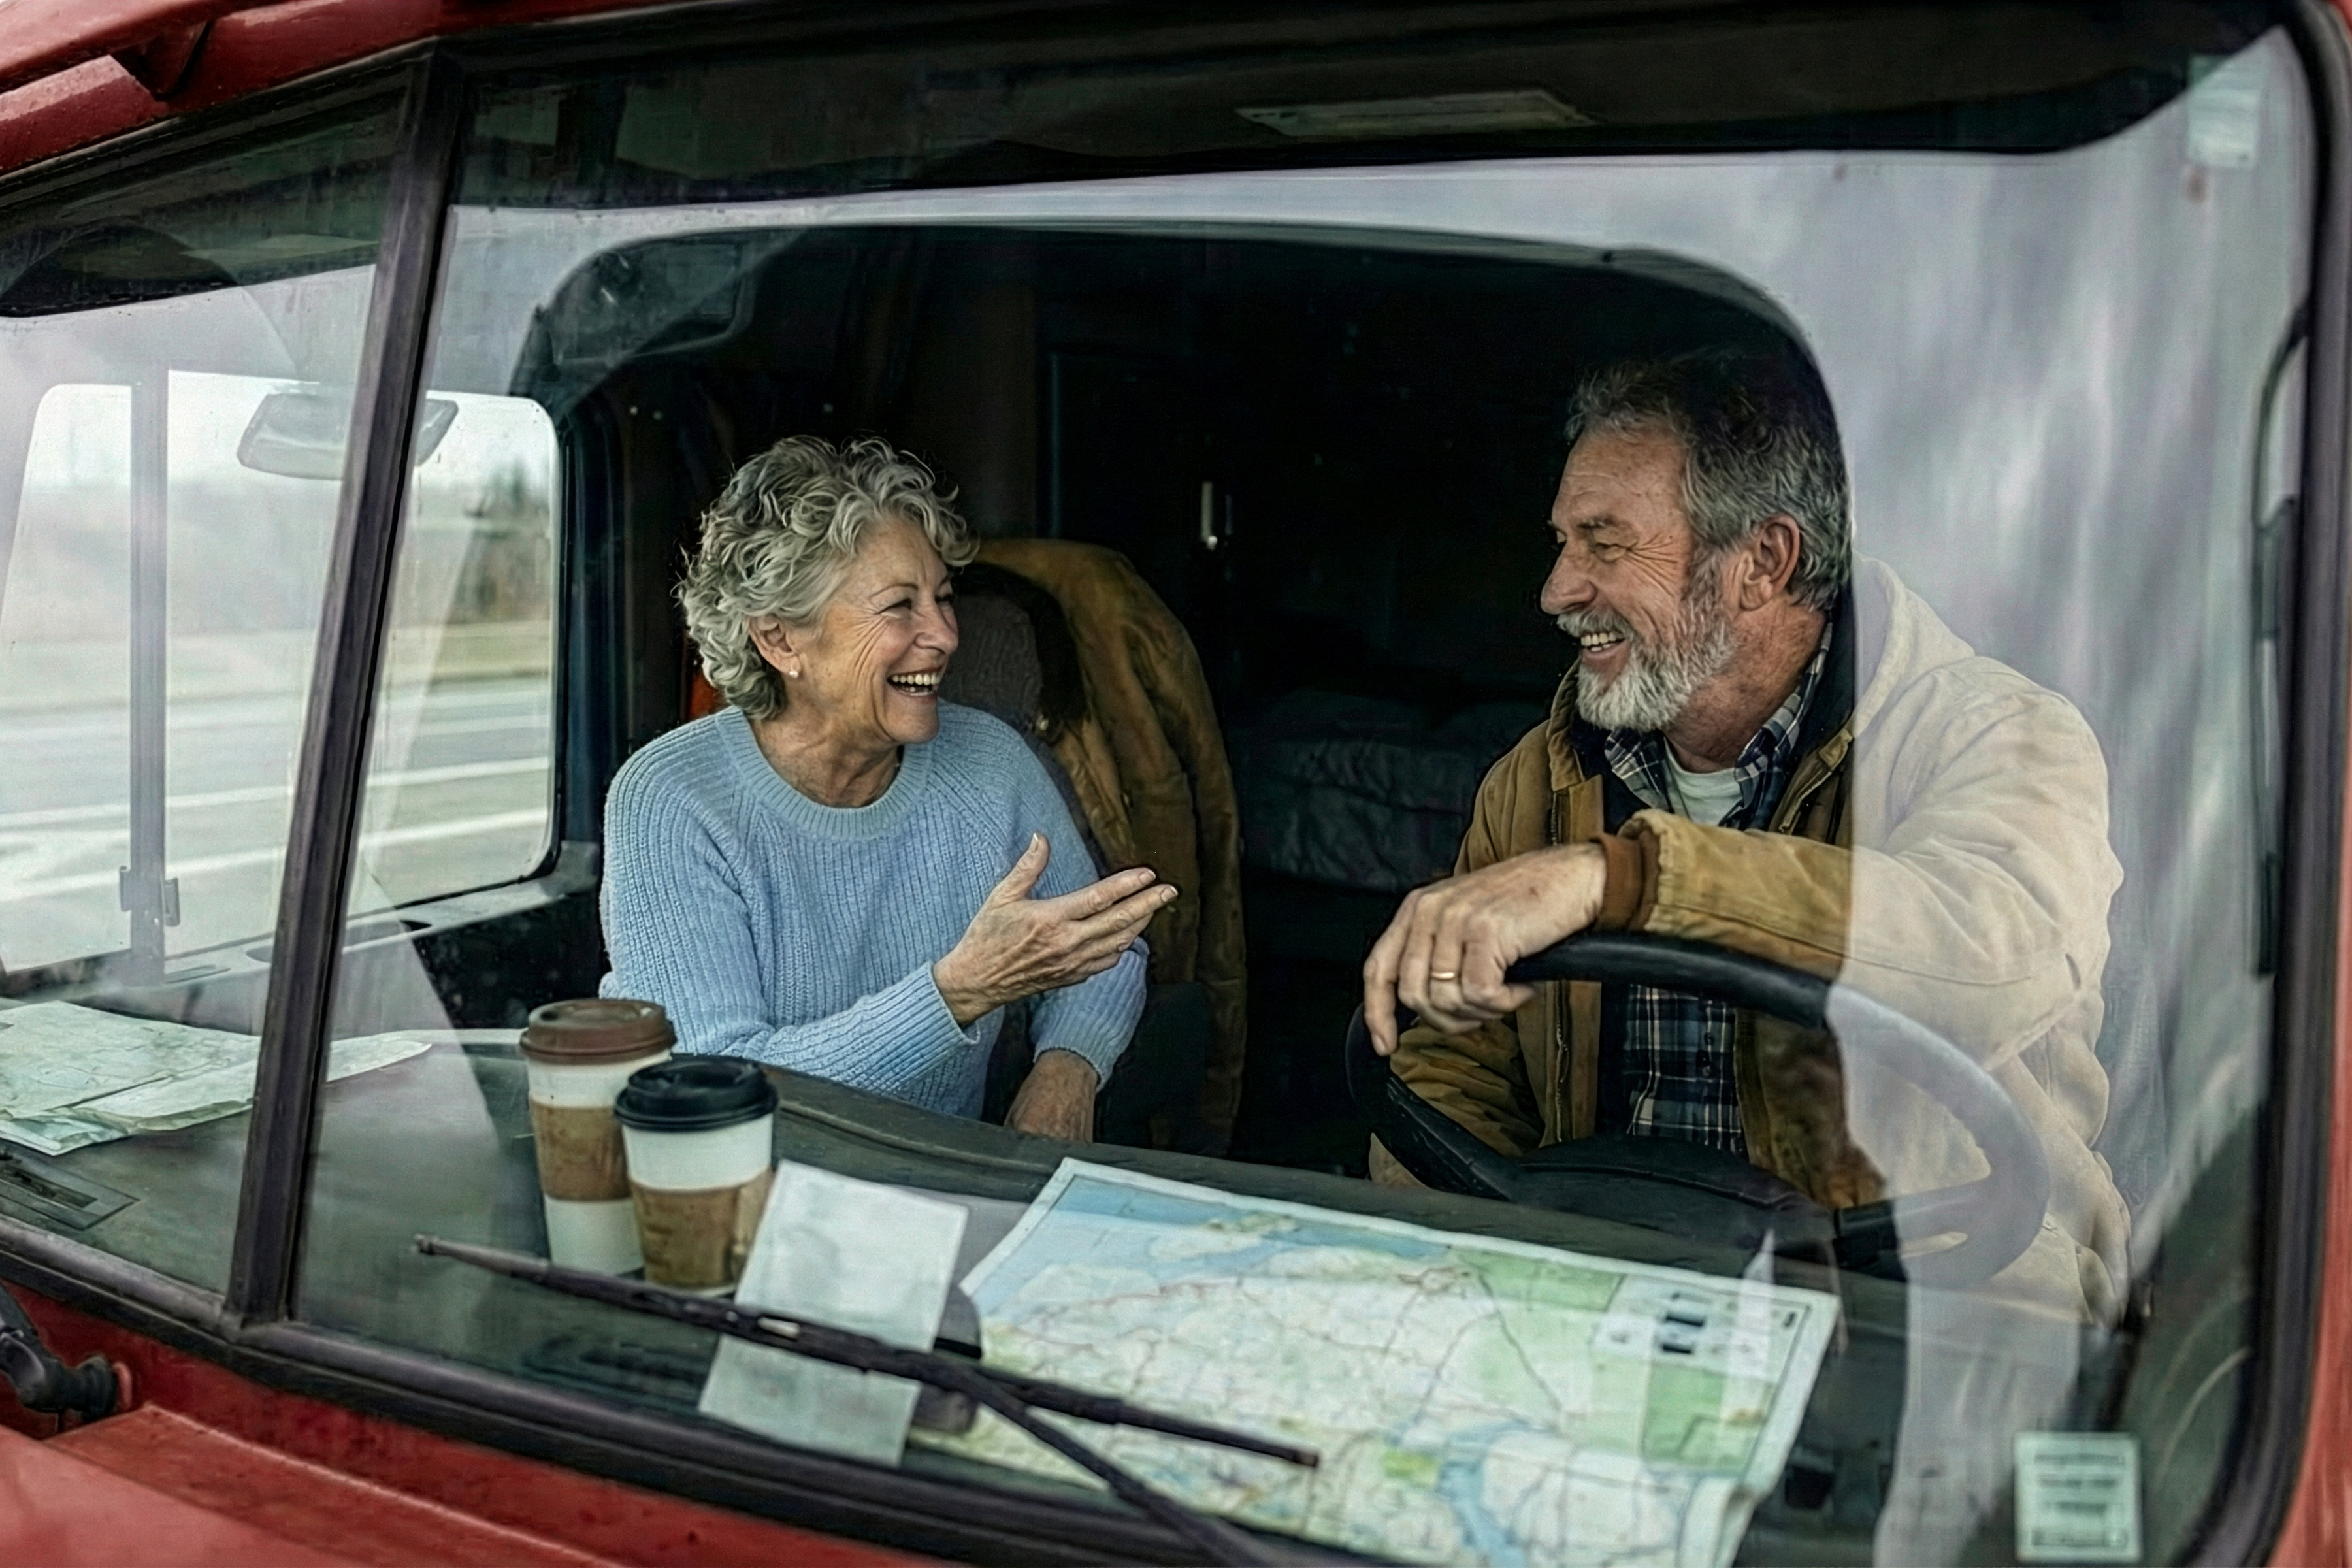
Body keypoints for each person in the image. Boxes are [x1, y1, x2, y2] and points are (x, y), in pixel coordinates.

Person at [1360, 348, 2129, 1318]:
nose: (1557, 590)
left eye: (1605, 545)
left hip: (1926, 1327)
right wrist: (1461, 1291)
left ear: (1763, 563)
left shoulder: (1996, 735)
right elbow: (1455, 1071)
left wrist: (1623, 882)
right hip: (1605, 1298)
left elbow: (1987, 953)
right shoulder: (1536, 776)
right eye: (1561, 543)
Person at [601, 434, 1170, 1141]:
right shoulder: (673, 798)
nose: (944, 635)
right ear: (781, 642)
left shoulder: (991, 763)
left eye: (944, 598)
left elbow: (1103, 951)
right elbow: (714, 1087)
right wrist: (959, 990)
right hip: (741, 1197)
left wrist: (1067, 1070)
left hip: (927, 1192)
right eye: (900, 607)